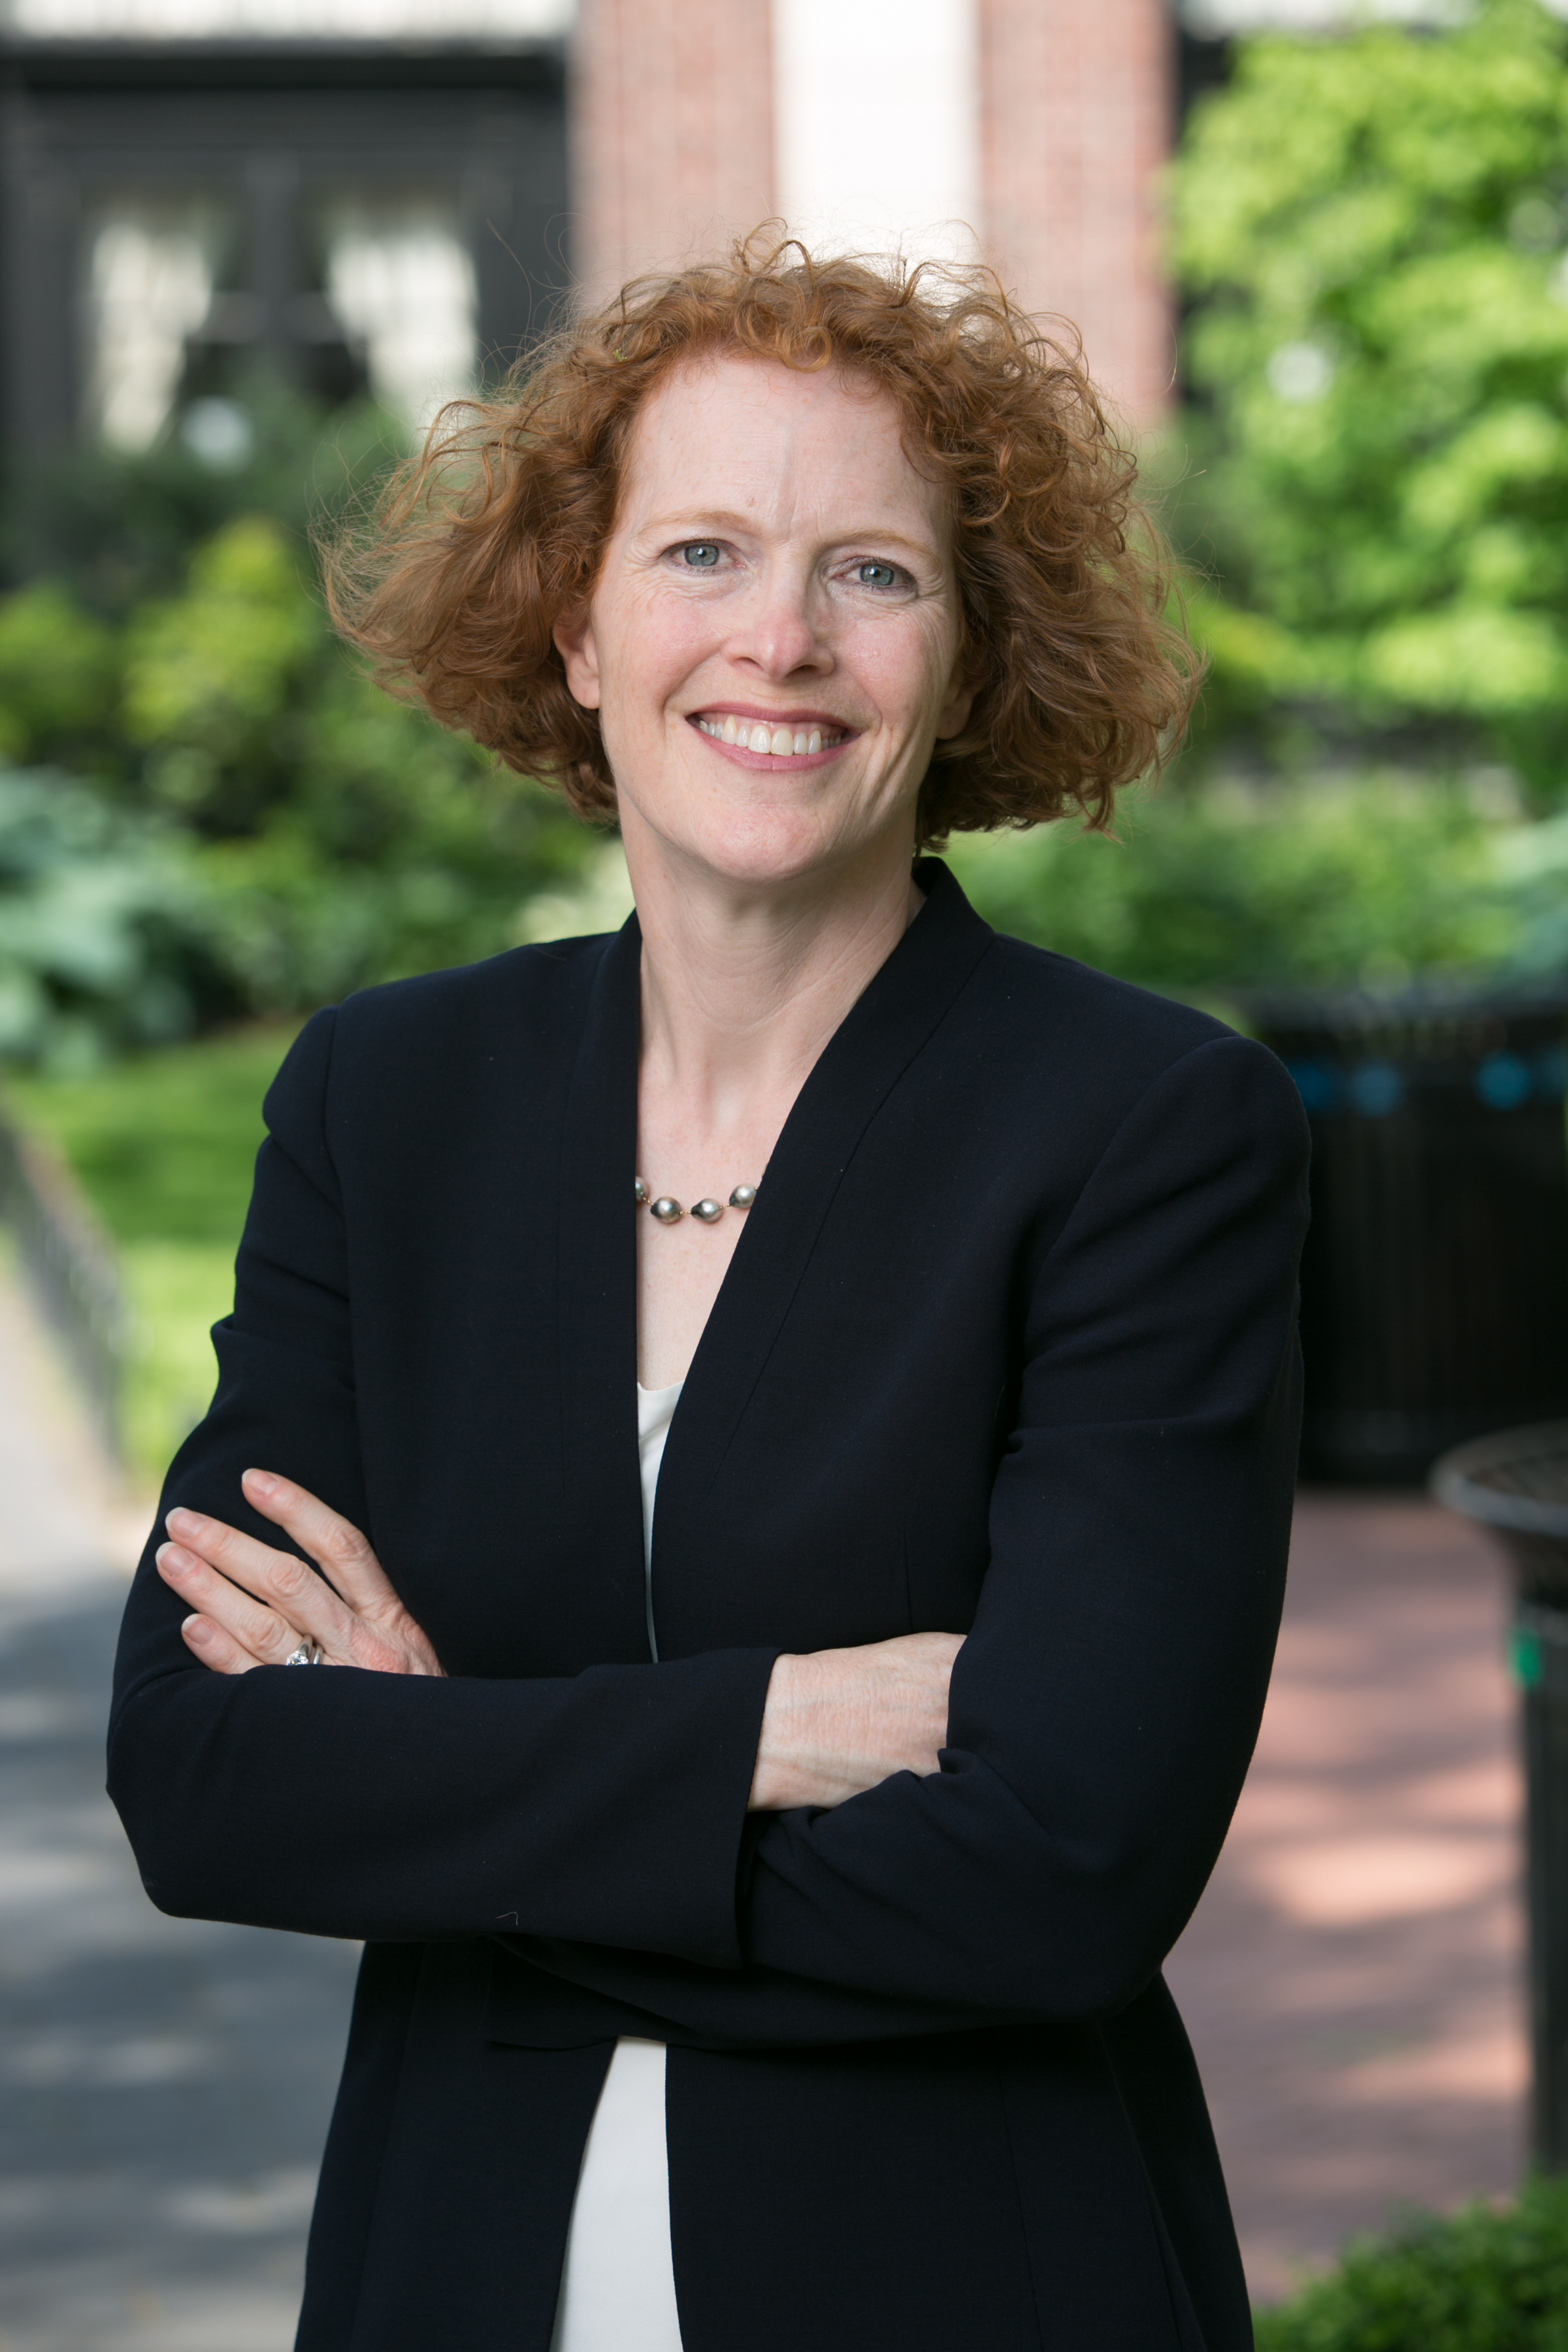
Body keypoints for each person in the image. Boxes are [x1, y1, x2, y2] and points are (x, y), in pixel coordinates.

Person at [108, 238, 1309, 2352]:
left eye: (873, 572)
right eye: (702, 550)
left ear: (963, 655)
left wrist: (448, 1788)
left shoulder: (1142, 1126)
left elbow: (1062, 1880)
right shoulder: (389, 1103)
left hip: (972, 2275)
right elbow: (203, 1777)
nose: (782, 638)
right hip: (453, 2272)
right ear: (578, 627)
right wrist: (774, 1729)